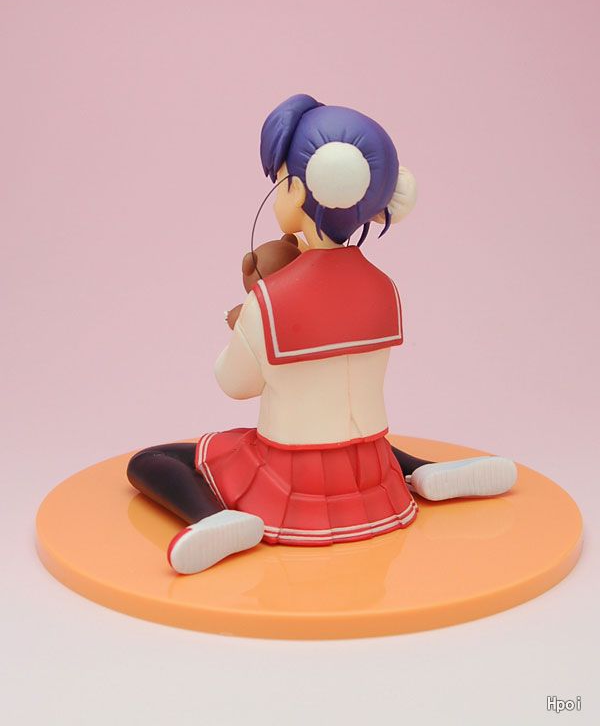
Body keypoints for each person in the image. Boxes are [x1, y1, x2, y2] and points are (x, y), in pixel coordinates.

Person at [128, 94, 516, 575]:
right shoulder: (385, 288)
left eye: (281, 183)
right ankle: (422, 471)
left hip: (294, 472)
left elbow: (234, 385)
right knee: (348, 437)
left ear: (300, 192)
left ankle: (215, 520)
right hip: (368, 464)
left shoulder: (269, 300)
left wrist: (246, 320)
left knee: (153, 459)